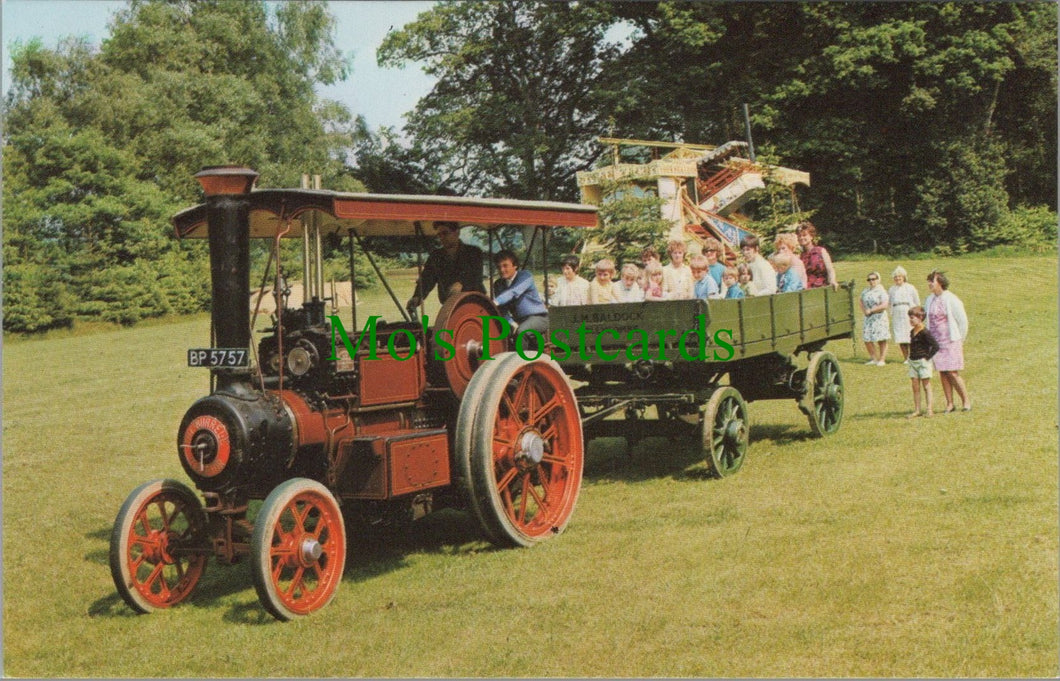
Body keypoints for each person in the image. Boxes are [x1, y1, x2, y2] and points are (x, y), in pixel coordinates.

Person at [407, 221, 485, 310]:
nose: (442, 238)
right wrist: (417, 297)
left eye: (445, 233)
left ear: (457, 232)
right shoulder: (436, 256)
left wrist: (461, 283)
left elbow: (476, 277)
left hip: (475, 304)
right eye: (439, 235)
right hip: (451, 306)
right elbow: (426, 279)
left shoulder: (474, 252)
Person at [925, 270, 971, 412]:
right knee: (942, 372)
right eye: (929, 281)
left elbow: (963, 322)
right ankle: (950, 403)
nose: (930, 284)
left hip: (951, 340)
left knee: (952, 372)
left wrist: (959, 340)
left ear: (940, 283)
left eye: (932, 281)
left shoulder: (952, 299)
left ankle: (966, 401)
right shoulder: (929, 299)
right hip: (936, 342)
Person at [492, 249, 548, 351]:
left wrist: (495, 301)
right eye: (499, 267)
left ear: (515, 265)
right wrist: (511, 323)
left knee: (522, 331)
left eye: (505, 265)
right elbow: (502, 309)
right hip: (518, 320)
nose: (502, 270)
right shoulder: (498, 284)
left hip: (538, 318)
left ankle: (521, 364)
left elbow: (513, 292)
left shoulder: (525, 276)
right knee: (500, 332)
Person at [905, 305, 939, 418]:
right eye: (910, 317)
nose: (911, 320)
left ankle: (929, 409)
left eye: (913, 318)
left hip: (923, 362)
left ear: (920, 318)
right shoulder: (911, 332)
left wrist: (927, 357)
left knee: (926, 386)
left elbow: (935, 346)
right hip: (913, 361)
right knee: (915, 386)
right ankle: (917, 410)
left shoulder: (925, 332)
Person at [888, 265, 921, 361]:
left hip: (908, 312)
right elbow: (889, 302)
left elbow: (917, 301)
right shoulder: (891, 289)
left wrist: (916, 314)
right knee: (900, 335)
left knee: (910, 334)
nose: (897, 278)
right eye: (896, 277)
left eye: (899, 276)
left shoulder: (910, 288)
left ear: (904, 277)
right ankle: (906, 358)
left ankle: (914, 356)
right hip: (897, 313)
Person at [795, 221, 838, 290]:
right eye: (799, 236)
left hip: (822, 286)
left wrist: (832, 280)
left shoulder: (821, 251)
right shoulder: (800, 256)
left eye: (804, 235)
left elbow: (830, 269)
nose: (801, 238)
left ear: (811, 236)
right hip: (806, 289)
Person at [860, 271, 890, 365]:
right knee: (867, 338)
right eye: (869, 279)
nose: (871, 281)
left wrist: (873, 310)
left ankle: (882, 359)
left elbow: (885, 305)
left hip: (879, 317)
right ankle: (873, 358)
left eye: (873, 279)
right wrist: (865, 310)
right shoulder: (866, 291)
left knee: (881, 338)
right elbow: (860, 300)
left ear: (878, 280)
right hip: (868, 317)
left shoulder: (881, 291)